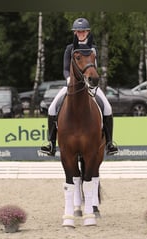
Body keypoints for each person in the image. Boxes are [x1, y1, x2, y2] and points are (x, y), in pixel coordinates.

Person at [40, 17, 118, 156]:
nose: (80, 34)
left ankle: (109, 143)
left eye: (83, 31)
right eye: (78, 31)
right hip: (72, 85)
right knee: (52, 108)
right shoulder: (70, 48)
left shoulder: (93, 49)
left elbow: (94, 68)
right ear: (75, 33)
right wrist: (69, 80)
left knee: (107, 108)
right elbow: (65, 68)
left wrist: (91, 81)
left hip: (90, 86)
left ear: (87, 32)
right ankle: (51, 143)